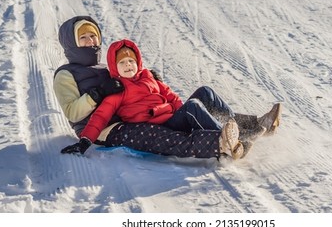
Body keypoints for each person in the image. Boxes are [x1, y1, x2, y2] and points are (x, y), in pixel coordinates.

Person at [53, 16, 281, 160]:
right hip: (106, 129)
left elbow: (134, 80)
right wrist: (97, 96)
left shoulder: (106, 67)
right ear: (71, 42)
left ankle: (248, 126)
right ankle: (227, 141)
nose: (91, 41)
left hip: (136, 116)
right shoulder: (65, 74)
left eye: (94, 35)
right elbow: (73, 112)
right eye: (83, 37)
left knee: (204, 94)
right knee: (179, 126)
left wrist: (149, 79)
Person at [78, 38, 255, 159]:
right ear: (115, 67)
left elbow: (171, 96)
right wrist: (86, 139)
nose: (128, 65)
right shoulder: (117, 90)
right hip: (160, 126)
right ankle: (229, 141)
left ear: (138, 62)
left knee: (205, 92)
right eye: (122, 63)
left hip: (172, 117)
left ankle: (241, 127)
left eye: (131, 61)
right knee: (193, 107)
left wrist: (181, 112)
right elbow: (100, 116)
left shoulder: (148, 77)